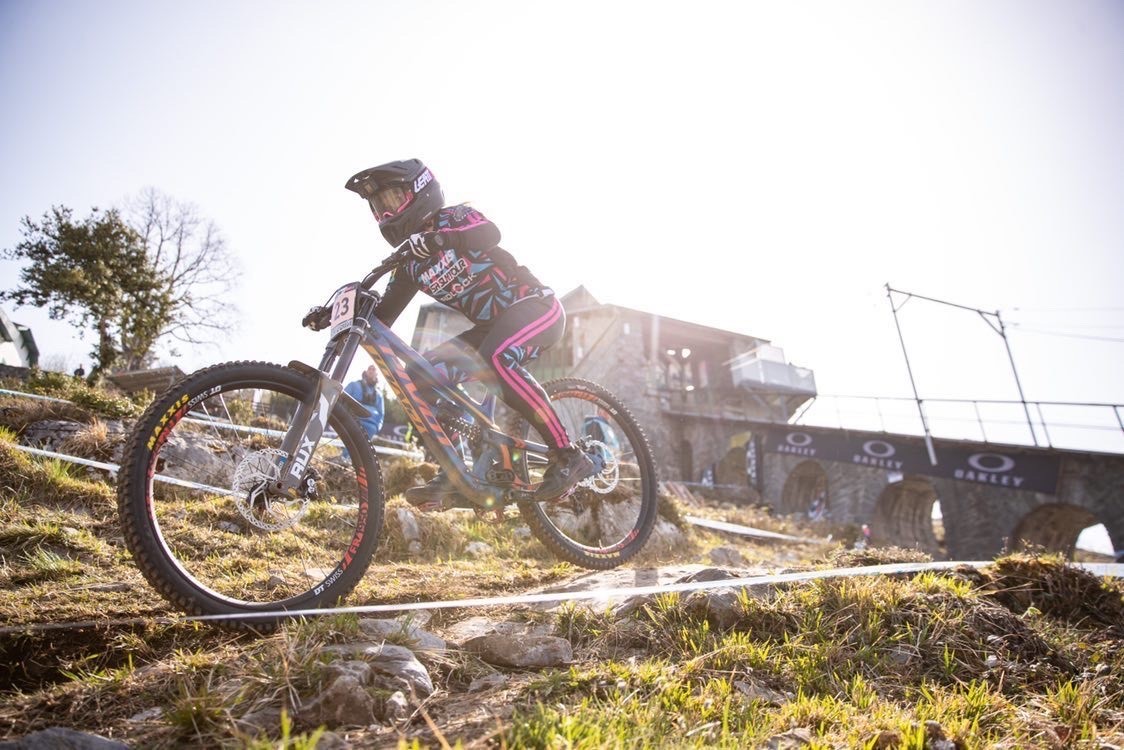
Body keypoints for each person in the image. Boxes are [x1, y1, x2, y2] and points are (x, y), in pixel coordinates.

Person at [344, 158, 595, 504]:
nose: (387, 215)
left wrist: (440, 239)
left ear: (420, 191)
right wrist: (342, 311)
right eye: (379, 208)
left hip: (537, 307)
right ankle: (456, 471)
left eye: (392, 201)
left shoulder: (455, 218)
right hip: (492, 328)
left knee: (496, 357)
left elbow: (490, 233)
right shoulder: (411, 264)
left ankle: (568, 455)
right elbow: (384, 315)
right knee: (419, 376)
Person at [343, 365, 384, 457]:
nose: (371, 370)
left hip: (371, 425)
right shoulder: (354, 385)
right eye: (370, 368)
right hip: (354, 419)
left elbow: (381, 414)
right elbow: (342, 398)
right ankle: (345, 459)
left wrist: (377, 427)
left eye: (374, 369)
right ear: (366, 371)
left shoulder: (379, 395)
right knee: (352, 442)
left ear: (376, 374)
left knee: (362, 447)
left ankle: (353, 463)